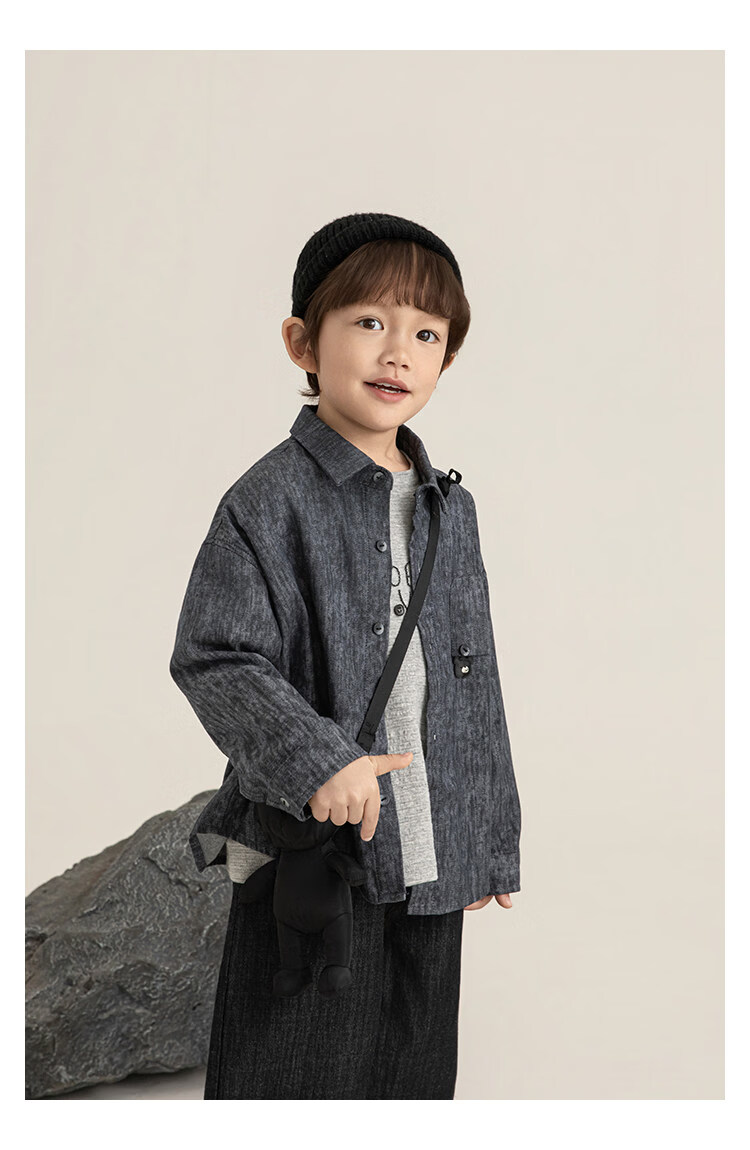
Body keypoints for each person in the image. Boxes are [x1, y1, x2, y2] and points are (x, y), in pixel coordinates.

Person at [169, 212, 522, 1099]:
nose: (398, 352)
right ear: (303, 342)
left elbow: (473, 675)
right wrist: (317, 761)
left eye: (426, 334)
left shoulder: (450, 509)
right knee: (293, 1066)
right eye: (369, 321)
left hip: (432, 842)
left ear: (447, 358)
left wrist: (489, 836)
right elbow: (216, 654)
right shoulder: (268, 501)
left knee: (413, 1067)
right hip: (319, 845)